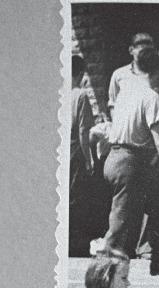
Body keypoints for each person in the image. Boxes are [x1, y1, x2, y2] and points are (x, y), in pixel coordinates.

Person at [100, 47, 159, 277]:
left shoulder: (126, 91)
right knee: (119, 228)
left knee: (141, 213)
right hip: (129, 162)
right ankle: (102, 283)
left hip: (115, 158)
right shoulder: (151, 97)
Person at [108, 33, 159, 128]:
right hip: (130, 134)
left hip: (155, 131)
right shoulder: (119, 75)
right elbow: (113, 105)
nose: (146, 55)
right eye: (142, 50)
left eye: (149, 50)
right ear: (131, 50)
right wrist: (119, 126)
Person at [69, 55, 96, 256]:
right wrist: (89, 159)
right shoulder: (80, 96)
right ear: (80, 74)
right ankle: (77, 246)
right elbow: (83, 131)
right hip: (75, 153)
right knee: (77, 201)